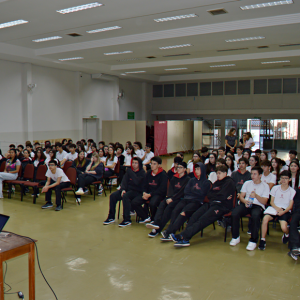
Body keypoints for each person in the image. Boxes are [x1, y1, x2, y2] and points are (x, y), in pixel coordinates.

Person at [170, 165, 236, 247]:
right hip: (211, 203)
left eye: (219, 173)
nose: (218, 175)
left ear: (225, 173)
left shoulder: (229, 182)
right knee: (195, 215)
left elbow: (222, 195)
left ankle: (184, 237)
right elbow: (209, 194)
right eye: (217, 173)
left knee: (203, 219)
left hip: (221, 206)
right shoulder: (217, 182)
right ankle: (184, 235)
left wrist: (217, 195)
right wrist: (218, 195)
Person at [160, 162, 210, 241]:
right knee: (175, 210)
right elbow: (186, 191)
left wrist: (193, 191)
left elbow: (202, 193)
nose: (196, 171)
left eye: (198, 169)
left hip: (196, 202)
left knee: (183, 213)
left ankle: (170, 232)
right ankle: (169, 231)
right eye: (195, 169)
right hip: (187, 199)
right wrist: (195, 191)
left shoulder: (206, 182)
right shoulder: (192, 180)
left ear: (203, 170)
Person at [230, 166, 270, 251]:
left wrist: (256, 196)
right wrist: (244, 201)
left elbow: (264, 201)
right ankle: (235, 237)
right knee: (234, 213)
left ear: (260, 175)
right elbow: (241, 196)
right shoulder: (247, 183)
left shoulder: (265, 186)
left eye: (255, 174)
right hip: (246, 203)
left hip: (258, 205)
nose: (252, 176)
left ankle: (253, 240)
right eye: (252, 173)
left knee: (255, 216)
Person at [146, 162, 190, 237]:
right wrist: (169, 197)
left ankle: (159, 229)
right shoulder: (174, 177)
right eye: (178, 167)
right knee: (162, 204)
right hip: (171, 197)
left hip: (180, 199)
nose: (178, 169)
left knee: (169, 209)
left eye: (180, 168)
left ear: (185, 169)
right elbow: (170, 189)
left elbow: (182, 192)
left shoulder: (187, 179)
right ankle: (156, 223)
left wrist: (172, 199)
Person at [103, 157, 146, 227]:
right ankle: (111, 217)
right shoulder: (130, 171)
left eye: (136, 163)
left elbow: (137, 182)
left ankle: (127, 219)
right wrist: (123, 189)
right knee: (113, 196)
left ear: (139, 164)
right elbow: (124, 181)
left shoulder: (142, 173)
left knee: (126, 196)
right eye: (133, 163)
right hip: (127, 190)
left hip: (137, 191)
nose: (134, 165)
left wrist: (130, 172)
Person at [258, 171, 295, 250]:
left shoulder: (292, 191)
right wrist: (277, 209)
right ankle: (262, 240)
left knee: (284, 228)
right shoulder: (275, 188)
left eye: (286, 178)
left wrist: (283, 211)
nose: (284, 180)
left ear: (290, 179)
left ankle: (287, 234)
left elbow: (290, 206)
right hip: (274, 209)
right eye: (282, 178)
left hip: (284, 210)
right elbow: (271, 201)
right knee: (265, 219)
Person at [131, 156, 168, 223]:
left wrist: (150, 194)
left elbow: (162, 189)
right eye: (151, 164)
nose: (152, 165)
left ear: (159, 165)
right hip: (148, 193)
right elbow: (144, 185)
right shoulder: (148, 173)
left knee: (152, 203)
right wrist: (144, 192)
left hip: (158, 194)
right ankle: (145, 217)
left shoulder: (163, 175)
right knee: (134, 202)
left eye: (154, 164)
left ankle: (154, 219)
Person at [287, 188, 300, 260]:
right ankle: (295, 247)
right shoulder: (298, 191)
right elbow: (297, 203)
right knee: (293, 222)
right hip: (299, 211)